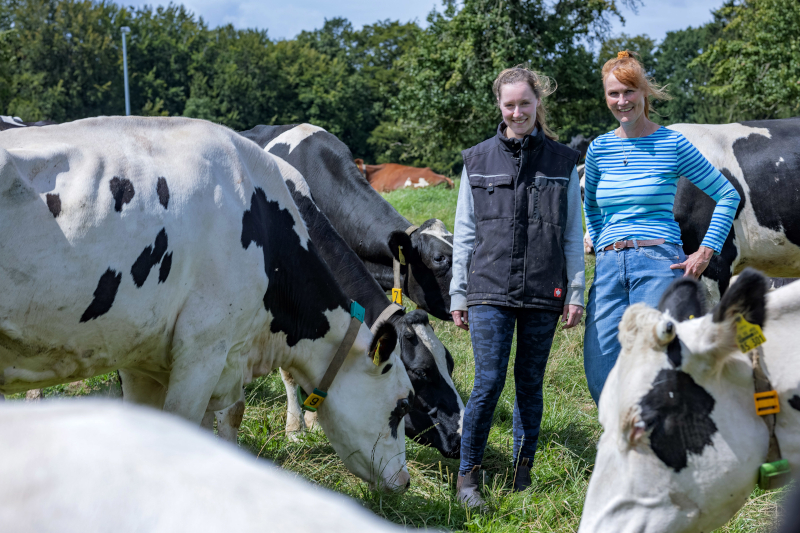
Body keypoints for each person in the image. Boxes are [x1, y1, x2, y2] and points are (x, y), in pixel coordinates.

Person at [449, 65, 585, 508]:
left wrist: (576, 291)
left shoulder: (563, 162)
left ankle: (521, 475)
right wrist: (458, 292)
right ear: (499, 106)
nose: (517, 111)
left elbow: (570, 235)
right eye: (509, 104)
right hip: (488, 289)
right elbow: (465, 234)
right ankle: (468, 478)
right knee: (487, 382)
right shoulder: (476, 159)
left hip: (544, 290)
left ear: (537, 102)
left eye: (525, 102)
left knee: (530, 385)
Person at [582, 51, 741, 405]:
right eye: (613, 93)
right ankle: (624, 436)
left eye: (629, 92)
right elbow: (591, 206)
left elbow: (727, 195)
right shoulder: (599, 149)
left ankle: (655, 448)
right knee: (599, 368)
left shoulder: (672, 143)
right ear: (606, 98)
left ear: (644, 94)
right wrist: (603, 239)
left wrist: (704, 252)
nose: (622, 101)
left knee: (654, 365)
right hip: (608, 267)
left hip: (657, 263)